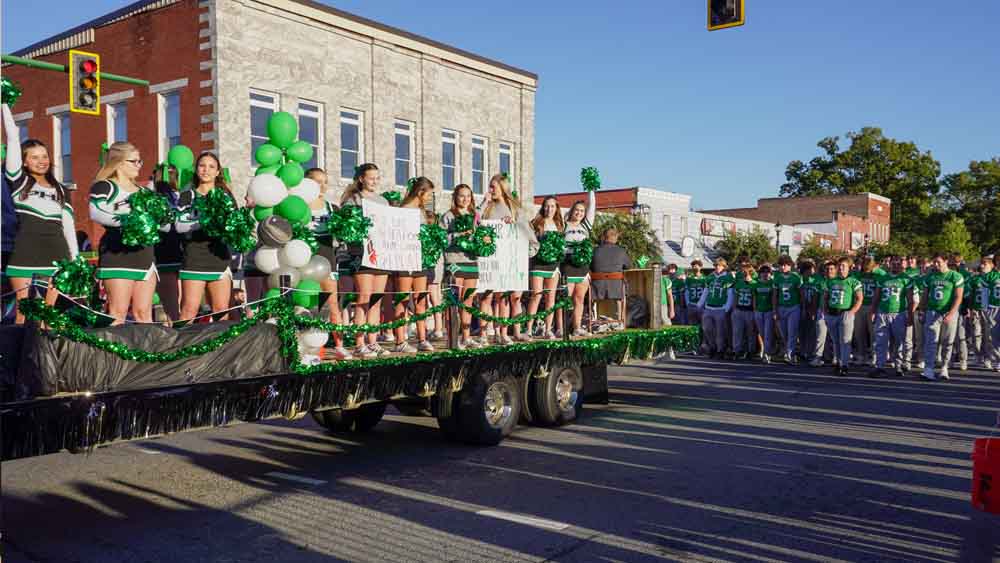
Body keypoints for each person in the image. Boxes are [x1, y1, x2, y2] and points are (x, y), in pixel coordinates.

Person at [1, 103, 78, 324]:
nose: (41, 161)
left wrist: (74, 260)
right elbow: (14, 137)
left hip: (56, 254)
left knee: (49, 315)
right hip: (24, 253)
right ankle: (15, 358)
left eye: (44, 156)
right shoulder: (18, 181)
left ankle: (44, 358)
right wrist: (4, 102)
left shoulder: (61, 189)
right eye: (34, 157)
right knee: (22, 314)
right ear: (24, 161)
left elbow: (68, 227)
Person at [89, 142, 157, 324]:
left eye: (139, 161)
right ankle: (113, 354)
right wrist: (130, 218)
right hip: (118, 256)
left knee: (144, 315)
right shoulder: (105, 187)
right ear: (118, 162)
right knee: (117, 314)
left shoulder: (145, 191)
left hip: (145, 257)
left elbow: (160, 225)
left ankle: (146, 353)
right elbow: (96, 212)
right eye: (134, 161)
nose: (138, 165)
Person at [174, 153, 235, 323]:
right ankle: (181, 347)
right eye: (202, 165)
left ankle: (221, 349)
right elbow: (179, 226)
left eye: (211, 166)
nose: (206, 170)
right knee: (188, 310)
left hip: (219, 258)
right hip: (194, 258)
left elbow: (235, 226)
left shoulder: (225, 196)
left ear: (217, 172)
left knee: (221, 311)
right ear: (196, 169)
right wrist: (205, 220)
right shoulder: (187, 196)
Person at [341, 163, 392, 358]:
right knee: (363, 297)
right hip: (361, 254)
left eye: (377, 178)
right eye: (371, 178)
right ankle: (359, 343)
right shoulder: (353, 200)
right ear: (361, 178)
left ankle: (373, 341)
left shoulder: (383, 201)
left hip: (381, 254)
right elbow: (347, 227)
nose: (374, 181)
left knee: (376, 300)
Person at [480, 174, 532, 344]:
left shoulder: (513, 206)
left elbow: (524, 227)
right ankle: (487, 333)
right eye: (489, 186)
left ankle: (503, 332)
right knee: (489, 296)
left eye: (493, 186)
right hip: (491, 256)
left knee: (503, 297)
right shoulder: (487, 206)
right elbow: (476, 222)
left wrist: (512, 224)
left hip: (507, 256)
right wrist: (483, 202)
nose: (490, 190)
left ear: (503, 187)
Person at [305, 168, 351, 360]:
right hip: (305, 260)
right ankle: (308, 348)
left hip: (327, 259)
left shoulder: (333, 209)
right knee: (308, 305)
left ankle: (339, 346)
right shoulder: (299, 206)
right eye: (317, 181)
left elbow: (343, 237)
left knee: (332, 304)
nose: (322, 185)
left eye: (324, 181)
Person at [394, 177, 436, 353]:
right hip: (404, 259)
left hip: (420, 260)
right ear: (420, 192)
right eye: (429, 194)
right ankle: (400, 340)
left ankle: (422, 338)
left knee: (420, 301)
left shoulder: (422, 212)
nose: (430, 198)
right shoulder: (403, 210)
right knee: (402, 299)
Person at [441, 184, 481, 349]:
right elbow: (441, 238)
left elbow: (480, 236)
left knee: (468, 301)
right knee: (454, 301)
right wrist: (458, 236)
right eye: (461, 196)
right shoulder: (448, 216)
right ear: (455, 198)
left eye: (468, 196)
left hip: (471, 262)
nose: (465, 199)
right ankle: (453, 337)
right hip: (454, 261)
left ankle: (466, 337)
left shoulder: (475, 216)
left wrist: (483, 240)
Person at [920, 253, 964, 381]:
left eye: (938, 262)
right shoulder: (930, 277)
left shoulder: (955, 276)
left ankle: (944, 367)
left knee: (948, 341)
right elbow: (925, 296)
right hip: (933, 311)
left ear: (946, 261)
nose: (936, 264)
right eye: (934, 262)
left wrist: (951, 313)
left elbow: (958, 297)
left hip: (949, 312)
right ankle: (929, 368)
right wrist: (922, 311)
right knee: (930, 341)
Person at [525, 196, 564, 339]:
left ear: (556, 208)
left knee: (550, 298)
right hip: (538, 264)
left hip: (553, 266)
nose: (549, 209)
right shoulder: (536, 223)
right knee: (536, 295)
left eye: (552, 206)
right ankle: (528, 329)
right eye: (547, 206)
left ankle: (548, 329)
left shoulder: (559, 225)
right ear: (543, 207)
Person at [870, 255, 912, 377]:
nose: (895, 265)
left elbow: (910, 299)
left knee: (899, 341)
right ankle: (880, 366)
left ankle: (898, 365)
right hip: (883, 312)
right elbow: (876, 296)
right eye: (893, 263)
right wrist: (873, 311)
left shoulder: (906, 279)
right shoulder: (883, 278)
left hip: (899, 313)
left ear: (902, 264)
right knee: (881, 340)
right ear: (890, 264)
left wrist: (909, 315)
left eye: (898, 263)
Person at [562, 189, 596, 337]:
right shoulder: (564, 225)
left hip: (582, 267)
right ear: (572, 211)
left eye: (582, 211)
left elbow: (592, 206)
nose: (580, 213)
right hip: (568, 265)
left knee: (579, 298)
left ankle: (577, 327)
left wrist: (591, 190)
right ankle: (561, 328)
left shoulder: (586, 226)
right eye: (577, 210)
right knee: (565, 298)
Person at [822, 256, 863, 376]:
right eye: (839, 266)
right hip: (832, 313)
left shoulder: (853, 281)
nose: (840, 268)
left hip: (845, 312)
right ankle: (838, 363)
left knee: (845, 341)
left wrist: (851, 312)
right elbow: (825, 298)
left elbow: (859, 298)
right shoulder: (830, 281)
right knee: (835, 341)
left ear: (849, 268)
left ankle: (845, 364)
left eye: (843, 266)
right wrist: (825, 312)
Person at [152, 164, 184, 322]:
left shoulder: (155, 198)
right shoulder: (183, 196)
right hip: (183, 250)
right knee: (181, 303)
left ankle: (177, 339)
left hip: (164, 251)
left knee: (170, 305)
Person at [590, 227, 631, 327]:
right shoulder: (621, 251)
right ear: (615, 238)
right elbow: (628, 266)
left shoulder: (595, 250)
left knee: (591, 295)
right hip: (616, 287)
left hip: (597, 287)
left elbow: (590, 267)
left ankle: (593, 319)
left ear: (604, 237)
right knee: (623, 293)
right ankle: (621, 321)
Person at [697, 258, 734, 359]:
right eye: (716, 265)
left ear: (724, 266)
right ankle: (712, 346)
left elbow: (730, 294)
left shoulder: (728, 277)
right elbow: (705, 292)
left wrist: (727, 308)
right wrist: (700, 304)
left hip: (720, 308)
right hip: (709, 307)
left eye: (720, 265)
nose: (717, 267)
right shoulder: (710, 277)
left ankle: (720, 349)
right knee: (707, 328)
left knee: (720, 331)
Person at [854, 257, 885, 367]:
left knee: (873, 333)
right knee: (859, 332)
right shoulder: (858, 274)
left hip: (873, 306)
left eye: (869, 268)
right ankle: (861, 355)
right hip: (860, 305)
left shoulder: (879, 274)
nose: (866, 270)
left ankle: (874, 355)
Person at [772, 255, 803, 364]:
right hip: (781, 307)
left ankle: (790, 354)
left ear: (790, 265)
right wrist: (775, 310)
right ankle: (787, 350)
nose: (783, 267)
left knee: (792, 331)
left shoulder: (796, 277)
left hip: (793, 307)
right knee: (783, 332)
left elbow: (801, 294)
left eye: (785, 265)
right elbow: (775, 295)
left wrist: (801, 306)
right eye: (781, 265)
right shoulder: (777, 278)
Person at [731, 261, 756, 361]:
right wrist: (734, 310)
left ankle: (751, 351)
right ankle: (737, 350)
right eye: (743, 272)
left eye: (746, 272)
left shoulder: (754, 284)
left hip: (749, 310)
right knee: (737, 332)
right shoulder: (739, 283)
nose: (744, 274)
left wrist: (754, 312)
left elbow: (754, 299)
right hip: (739, 309)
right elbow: (736, 298)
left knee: (750, 332)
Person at [980, 256, 1000, 372]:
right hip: (993, 308)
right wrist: (985, 310)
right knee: (995, 336)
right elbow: (984, 295)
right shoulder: (988, 276)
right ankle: (998, 360)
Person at [753, 264, 776, 363]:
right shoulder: (756, 284)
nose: (765, 274)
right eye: (763, 272)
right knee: (762, 333)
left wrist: (774, 311)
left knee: (767, 333)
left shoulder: (772, 283)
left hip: (769, 311)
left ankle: (767, 354)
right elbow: (754, 298)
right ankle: (767, 350)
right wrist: (755, 310)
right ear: (760, 274)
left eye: (768, 272)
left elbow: (774, 297)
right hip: (759, 311)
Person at [685, 260, 707, 352]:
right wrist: (688, 303)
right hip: (692, 305)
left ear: (701, 267)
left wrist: (703, 304)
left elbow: (706, 293)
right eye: (693, 266)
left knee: (704, 327)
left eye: (697, 265)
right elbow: (686, 292)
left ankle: (704, 344)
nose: (695, 267)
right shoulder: (689, 278)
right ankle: (693, 345)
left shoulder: (705, 278)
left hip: (701, 306)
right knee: (692, 327)